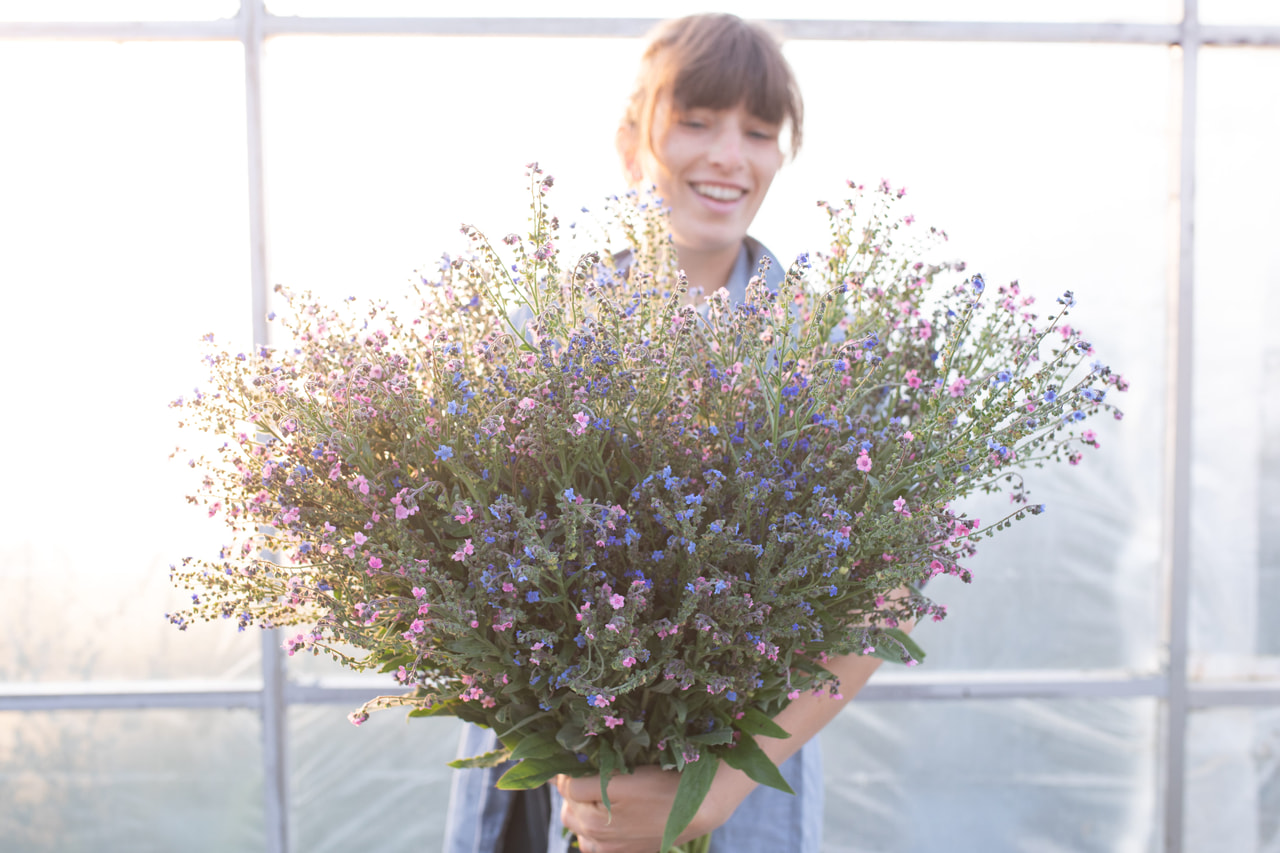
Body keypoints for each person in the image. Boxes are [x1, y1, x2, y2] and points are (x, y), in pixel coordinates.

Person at [444, 14, 897, 853]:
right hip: (561, 791)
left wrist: (713, 789)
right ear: (632, 142)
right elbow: (453, 553)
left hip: (739, 797)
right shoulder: (542, 329)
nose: (731, 155)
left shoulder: (824, 349)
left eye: (759, 133)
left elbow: (888, 596)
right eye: (697, 121)